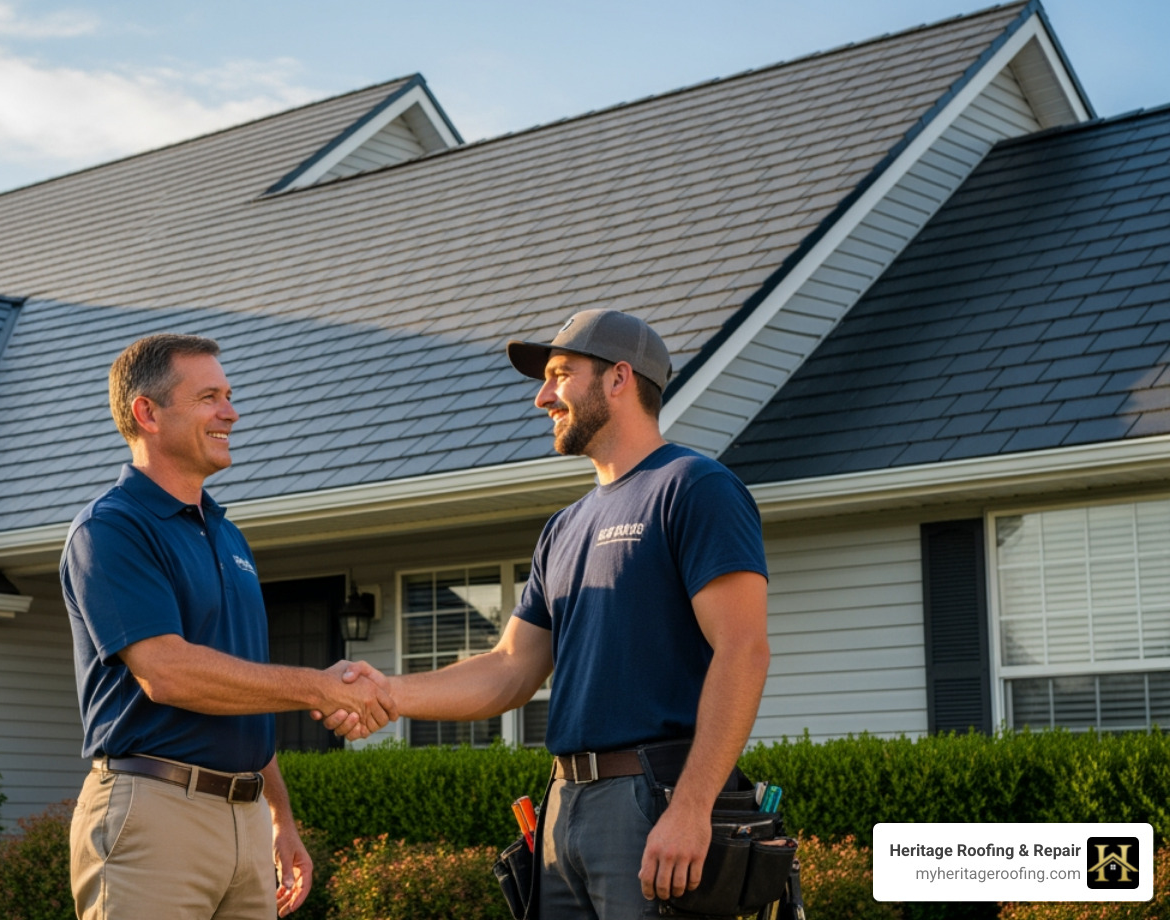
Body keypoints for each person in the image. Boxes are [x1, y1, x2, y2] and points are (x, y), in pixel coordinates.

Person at [326, 309, 771, 919]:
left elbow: (743, 650)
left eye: (561, 375)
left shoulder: (694, 487)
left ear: (619, 378)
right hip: (565, 802)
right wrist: (389, 693)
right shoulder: (564, 528)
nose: (542, 397)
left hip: (651, 797)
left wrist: (693, 807)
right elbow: (510, 669)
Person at [63, 333, 397, 920]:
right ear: (148, 413)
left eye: (229, 395)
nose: (231, 412)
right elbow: (167, 673)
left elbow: (240, 691)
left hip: (244, 819)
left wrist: (278, 817)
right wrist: (318, 686)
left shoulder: (225, 535)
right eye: (209, 397)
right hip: (154, 814)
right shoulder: (111, 530)